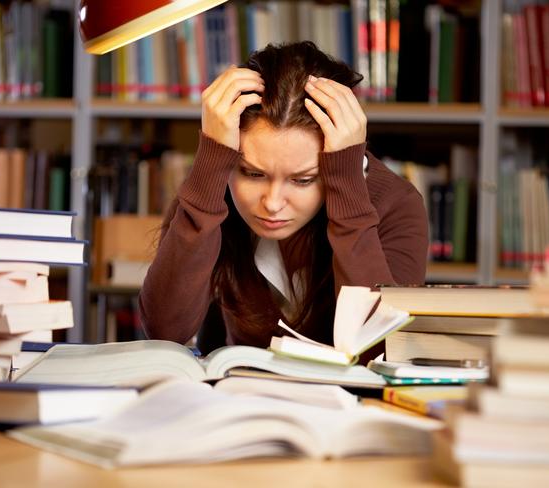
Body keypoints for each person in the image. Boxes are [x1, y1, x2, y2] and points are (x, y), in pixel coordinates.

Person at [138, 41, 428, 354]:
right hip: (240, 398)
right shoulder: (213, 186)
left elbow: (381, 350)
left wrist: (346, 185)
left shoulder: (397, 204)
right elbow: (163, 330)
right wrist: (210, 160)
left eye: (303, 180)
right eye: (252, 173)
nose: (273, 203)